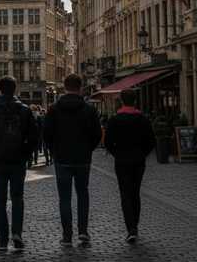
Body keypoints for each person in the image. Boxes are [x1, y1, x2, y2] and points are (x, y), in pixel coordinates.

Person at [0, 76, 37, 251]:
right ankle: (17, 233)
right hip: (18, 161)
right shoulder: (25, 110)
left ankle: (2, 239)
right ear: (15, 89)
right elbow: (34, 137)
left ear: (0, 90)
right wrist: (25, 154)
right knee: (18, 199)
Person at [43, 74, 102, 247]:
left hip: (62, 159)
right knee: (83, 194)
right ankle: (83, 232)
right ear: (81, 87)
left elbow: (46, 134)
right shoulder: (89, 110)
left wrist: (54, 151)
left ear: (64, 87)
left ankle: (67, 236)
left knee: (65, 198)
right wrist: (88, 149)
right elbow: (97, 134)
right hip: (83, 158)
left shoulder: (54, 109)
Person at [104, 89, 155, 243]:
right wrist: (142, 154)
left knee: (125, 194)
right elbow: (151, 141)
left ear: (122, 101)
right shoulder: (143, 119)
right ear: (135, 101)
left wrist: (117, 153)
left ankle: (131, 228)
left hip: (122, 161)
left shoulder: (115, 119)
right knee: (135, 193)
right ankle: (135, 226)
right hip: (138, 161)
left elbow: (108, 142)